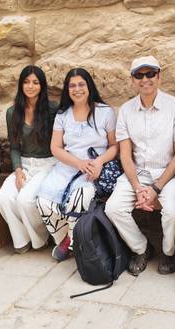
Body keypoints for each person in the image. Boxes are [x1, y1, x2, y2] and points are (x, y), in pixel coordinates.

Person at [105, 56, 175, 276]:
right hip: (137, 173)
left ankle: (168, 253)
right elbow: (126, 155)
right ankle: (142, 248)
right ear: (132, 80)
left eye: (150, 74)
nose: (145, 79)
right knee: (113, 208)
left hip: (169, 175)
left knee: (171, 211)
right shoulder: (126, 110)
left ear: (159, 76)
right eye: (139, 75)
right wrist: (138, 187)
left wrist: (156, 189)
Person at [37, 68, 118, 262]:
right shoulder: (63, 115)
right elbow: (55, 147)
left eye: (81, 84)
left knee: (79, 198)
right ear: (67, 90)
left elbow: (115, 146)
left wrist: (99, 162)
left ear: (89, 86)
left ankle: (71, 242)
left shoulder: (105, 113)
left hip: (95, 169)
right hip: (68, 166)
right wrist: (77, 162)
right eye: (72, 85)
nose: (77, 89)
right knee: (43, 201)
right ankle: (67, 238)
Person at [0, 66, 58, 254]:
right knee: (4, 198)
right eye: (26, 82)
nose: (30, 86)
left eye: (35, 82)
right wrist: (18, 169)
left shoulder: (53, 110)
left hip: (48, 163)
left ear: (42, 85)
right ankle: (22, 239)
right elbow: (14, 146)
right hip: (24, 164)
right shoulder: (12, 112)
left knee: (25, 200)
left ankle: (41, 238)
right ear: (21, 84)